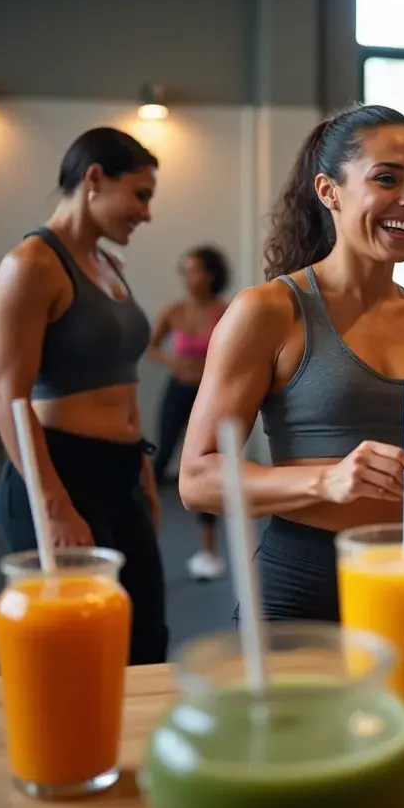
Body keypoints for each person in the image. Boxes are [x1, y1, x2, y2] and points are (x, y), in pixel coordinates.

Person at [178, 104, 404, 622]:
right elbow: (197, 480)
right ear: (329, 191)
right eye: (387, 179)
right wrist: (327, 480)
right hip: (307, 580)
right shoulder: (269, 311)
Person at [0, 127, 168, 665]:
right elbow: (4, 394)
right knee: (79, 651)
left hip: (120, 471)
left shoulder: (110, 266)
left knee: (145, 640)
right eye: (141, 194)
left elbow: (122, 380)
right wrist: (53, 504)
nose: (146, 213)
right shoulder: (32, 264)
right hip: (58, 471)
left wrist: (138, 469)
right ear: (94, 179)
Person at [148, 245, 230, 581]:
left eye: (195, 270)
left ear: (210, 275)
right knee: (160, 457)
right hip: (177, 391)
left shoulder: (225, 311)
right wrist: (171, 361)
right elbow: (151, 346)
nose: (189, 277)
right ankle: (145, 540)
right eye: (185, 270)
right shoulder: (174, 311)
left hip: (209, 395)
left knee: (212, 464)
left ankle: (209, 551)